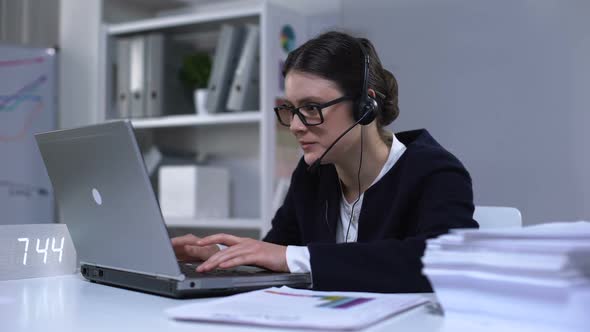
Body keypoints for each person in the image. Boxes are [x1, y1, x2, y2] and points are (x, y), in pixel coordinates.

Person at [171, 31, 478, 293]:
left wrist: (293, 258)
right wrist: (220, 255)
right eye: (291, 109)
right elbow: (276, 250)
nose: (295, 126)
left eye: (312, 107)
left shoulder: (435, 171)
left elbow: (442, 263)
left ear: (364, 106)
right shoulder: (311, 174)